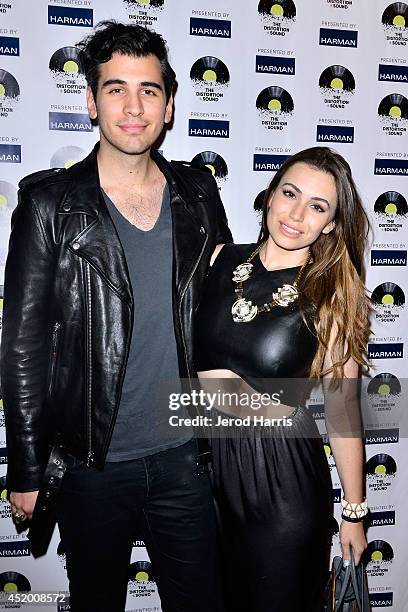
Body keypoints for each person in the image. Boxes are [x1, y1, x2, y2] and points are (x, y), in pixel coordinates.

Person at [1, 20, 232, 612]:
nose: (134, 107)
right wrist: (26, 467)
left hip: (186, 457)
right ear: (90, 100)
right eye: (116, 89)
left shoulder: (199, 193)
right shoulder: (49, 203)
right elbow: (22, 344)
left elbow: (227, 307)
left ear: (171, 104)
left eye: (149, 90)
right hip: (90, 466)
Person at [195, 147, 370, 612]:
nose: (296, 214)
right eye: (289, 194)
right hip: (204, 475)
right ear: (270, 196)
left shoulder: (331, 296)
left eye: (318, 206)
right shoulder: (217, 260)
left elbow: (343, 411)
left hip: (280, 479)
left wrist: (354, 513)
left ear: (331, 223)